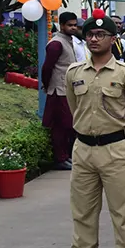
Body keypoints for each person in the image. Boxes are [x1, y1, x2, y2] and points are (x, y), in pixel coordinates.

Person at [55, 8, 125, 248]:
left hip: (116, 148)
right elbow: (74, 108)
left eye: (101, 34)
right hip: (83, 148)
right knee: (82, 211)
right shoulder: (74, 73)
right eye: (90, 34)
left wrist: (121, 138)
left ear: (112, 39)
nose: (94, 39)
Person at [41, 11, 80, 170]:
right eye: (69, 25)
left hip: (69, 89)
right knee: (62, 125)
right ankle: (60, 158)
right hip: (59, 90)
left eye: (75, 25)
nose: (73, 28)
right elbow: (47, 68)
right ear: (61, 25)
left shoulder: (70, 40)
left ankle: (66, 156)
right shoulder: (56, 44)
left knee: (69, 125)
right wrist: (47, 85)